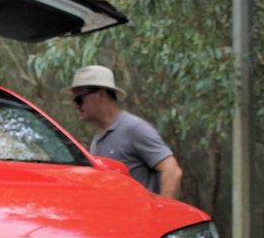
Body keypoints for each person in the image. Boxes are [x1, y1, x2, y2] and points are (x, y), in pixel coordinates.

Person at [63, 64, 183, 199]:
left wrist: (164, 214)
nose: (75, 106)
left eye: (79, 99)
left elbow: (171, 170)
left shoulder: (135, 128)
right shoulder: (98, 138)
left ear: (101, 94)